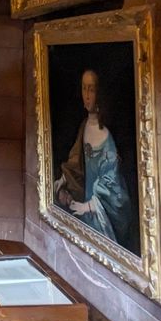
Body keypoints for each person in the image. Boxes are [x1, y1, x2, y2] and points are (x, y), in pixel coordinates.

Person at [54, 69, 133, 247]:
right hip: (84, 204)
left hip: (98, 212)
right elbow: (77, 161)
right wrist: (63, 179)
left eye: (92, 89)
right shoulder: (85, 126)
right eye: (84, 89)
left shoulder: (105, 136)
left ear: (100, 93)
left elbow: (112, 184)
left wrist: (88, 206)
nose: (87, 95)